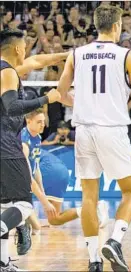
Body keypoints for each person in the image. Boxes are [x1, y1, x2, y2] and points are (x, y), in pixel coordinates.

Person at [56, 5, 131, 272]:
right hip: (112, 130)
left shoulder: (76, 54)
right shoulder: (127, 55)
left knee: (89, 197)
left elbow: (61, 92)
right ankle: (115, 241)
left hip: (84, 130)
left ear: (97, 25)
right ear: (118, 26)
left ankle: (93, 259)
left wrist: (81, 102)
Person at [0, 29, 69, 271]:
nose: (27, 51)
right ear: (17, 48)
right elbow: (11, 107)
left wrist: (66, 55)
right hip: (7, 146)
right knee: (24, 205)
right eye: (25, 47)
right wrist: (45, 100)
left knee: (4, 207)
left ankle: (3, 262)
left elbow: (37, 61)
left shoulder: (5, 69)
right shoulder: (7, 71)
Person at [22, 109, 109, 230]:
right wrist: (43, 197)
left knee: (18, 200)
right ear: (28, 121)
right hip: (58, 169)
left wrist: (44, 200)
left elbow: (31, 173)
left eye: (43, 121)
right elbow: (34, 170)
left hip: (49, 170)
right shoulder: (33, 137)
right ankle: (93, 209)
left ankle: (14, 227)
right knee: (53, 220)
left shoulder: (30, 138)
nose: (43, 124)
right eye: (39, 122)